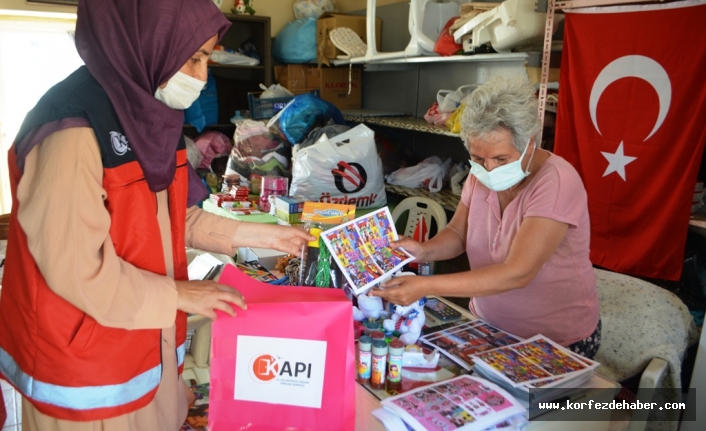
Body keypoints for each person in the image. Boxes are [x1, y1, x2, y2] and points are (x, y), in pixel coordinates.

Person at [0, 1, 313, 430]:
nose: (203, 77)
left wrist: (264, 236)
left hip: (146, 351)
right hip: (87, 378)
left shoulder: (148, 112)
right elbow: (75, 268)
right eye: (193, 59)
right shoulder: (71, 130)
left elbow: (174, 218)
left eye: (208, 58)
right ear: (145, 43)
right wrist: (182, 296)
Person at [370, 76, 601, 359]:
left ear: (530, 144)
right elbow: (458, 234)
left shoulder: (557, 182)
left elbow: (518, 272)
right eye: (479, 159)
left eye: (501, 160)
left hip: (554, 341)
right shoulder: (480, 176)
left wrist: (426, 286)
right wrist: (424, 249)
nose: (489, 170)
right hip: (488, 326)